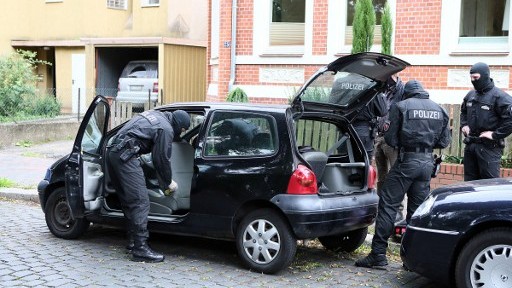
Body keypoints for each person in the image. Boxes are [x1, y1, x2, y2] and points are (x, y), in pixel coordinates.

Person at [355, 80, 451, 268]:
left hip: (407, 161)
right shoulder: (440, 110)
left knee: (388, 205)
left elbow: (390, 138)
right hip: (426, 164)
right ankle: (413, 259)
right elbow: (444, 142)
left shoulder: (401, 106)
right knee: (416, 213)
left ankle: (378, 255)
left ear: (407, 93)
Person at [107, 109, 191, 263]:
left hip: (113, 153)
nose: (181, 133)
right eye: (183, 130)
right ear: (179, 126)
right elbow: (161, 159)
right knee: (140, 202)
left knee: (128, 201)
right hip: (127, 156)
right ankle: (140, 249)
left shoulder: (155, 115)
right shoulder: (166, 129)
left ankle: (133, 242)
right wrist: (168, 183)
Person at [460, 62, 512, 181]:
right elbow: (463, 112)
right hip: (471, 145)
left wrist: (495, 135)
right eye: (471, 78)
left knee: (489, 185)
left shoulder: (500, 97)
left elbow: (510, 120)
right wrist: (464, 125)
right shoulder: (471, 95)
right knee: (469, 185)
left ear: (485, 75)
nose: (473, 80)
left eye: (476, 77)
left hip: (489, 148)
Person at [374, 74, 406, 222]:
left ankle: (398, 211)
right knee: (381, 177)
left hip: (393, 140)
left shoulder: (402, 90)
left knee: (395, 176)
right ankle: (381, 207)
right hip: (378, 138)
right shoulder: (381, 89)